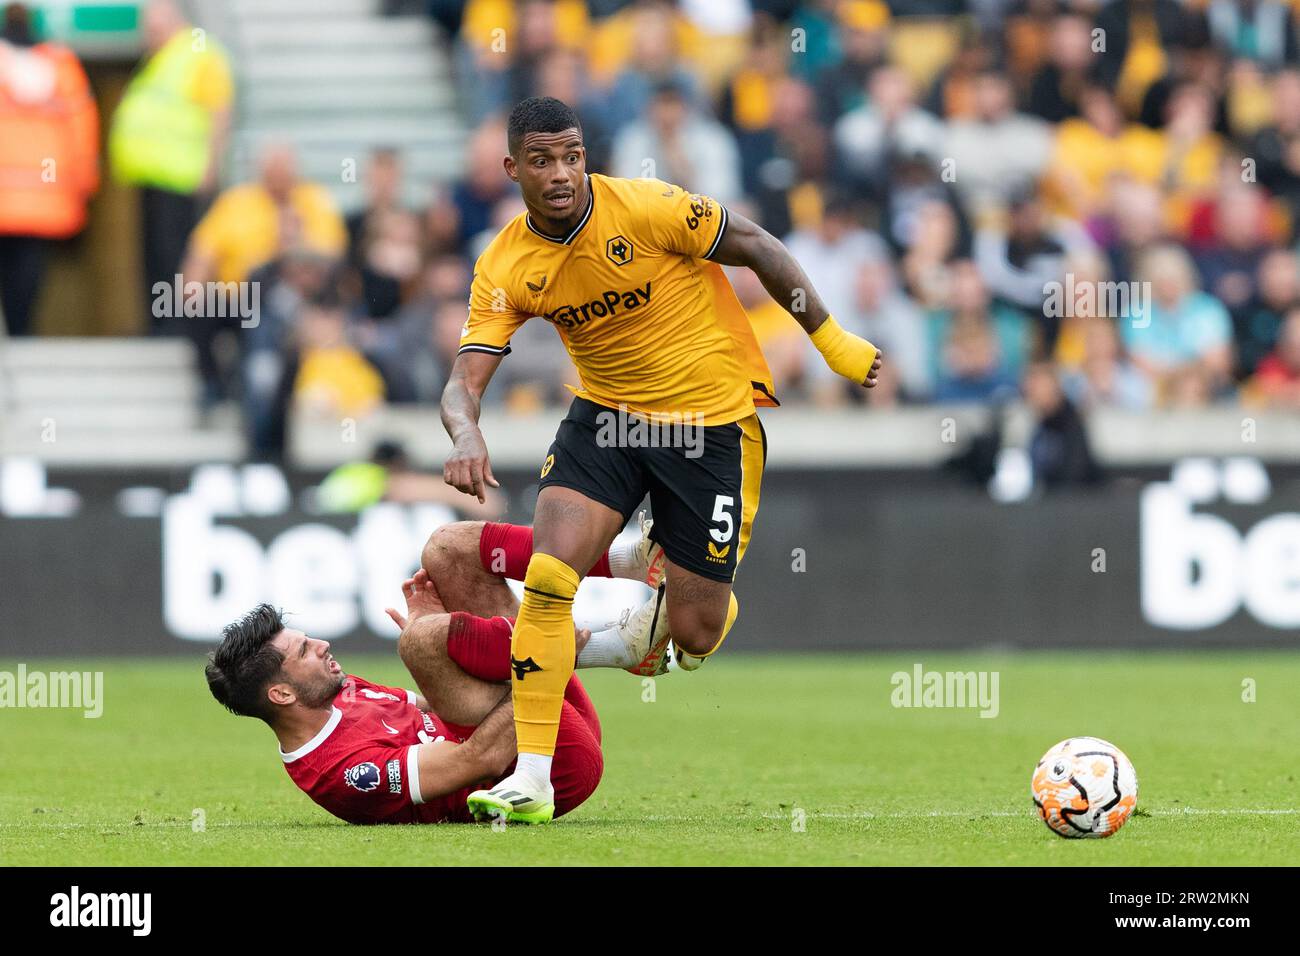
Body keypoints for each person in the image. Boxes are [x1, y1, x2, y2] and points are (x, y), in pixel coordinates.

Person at [440, 96, 881, 823]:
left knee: (696, 635)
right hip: (607, 419)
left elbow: (759, 245)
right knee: (549, 579)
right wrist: (466, 434)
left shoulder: (644, 207)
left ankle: (653, 564)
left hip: (709, 423)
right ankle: (533, 778)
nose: (561, 173)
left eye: (573, 155)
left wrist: (830, 340)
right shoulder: (505, 264)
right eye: (543, 160)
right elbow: (464, 379)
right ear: (512, 168)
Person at [204, 517, 666, 825]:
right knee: (420, 641)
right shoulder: (342, 773)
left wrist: (447, 648)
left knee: (447, 549)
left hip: (537, 717)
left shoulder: (333, 694)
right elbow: (477, 760)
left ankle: (632, 558)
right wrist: (544, 661)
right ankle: (613, 647)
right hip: (548, 767)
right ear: (282, 695)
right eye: (304, 650)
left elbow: (432, 703)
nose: (322, 644)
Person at [108, 0, 232, 328]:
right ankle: (158, 324)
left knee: (176, 258)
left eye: (154, 24)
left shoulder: (198, 54)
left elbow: (219, 111)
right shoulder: (160, 59)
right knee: (153, 258)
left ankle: (177, 325)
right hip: (154, 177)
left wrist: (211, 164)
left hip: (183, 179)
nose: (148, 33)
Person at [0, 3, 99, 335]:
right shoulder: (61, 65)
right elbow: (82, 125)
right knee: (29, 270)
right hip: (45, 195)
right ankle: (21, 330)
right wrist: (85, 182)